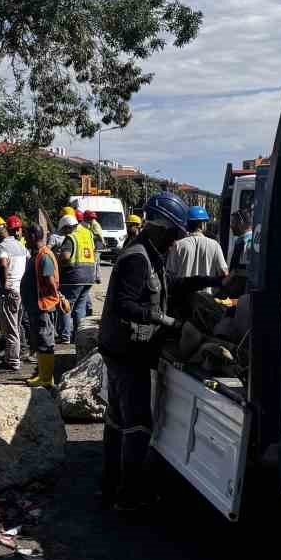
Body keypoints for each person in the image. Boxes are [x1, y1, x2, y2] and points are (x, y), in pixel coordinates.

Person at [97, 191, 222, 512]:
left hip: (123, 349)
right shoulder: (138, 257)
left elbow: (171, 283)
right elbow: (125, 305)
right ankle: (128, 497)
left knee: (118, 418)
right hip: (128, 351)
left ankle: (110, 486)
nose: (175, 240)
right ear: (160, 226)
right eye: (173, 233)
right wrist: (171, 322)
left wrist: (212, 281)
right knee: (137, 422)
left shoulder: (151, 254)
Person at [21, 223, 65, 388]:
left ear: (33, 236)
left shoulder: (44, 255)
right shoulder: (39, 254)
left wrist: (56, 296)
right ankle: (42, 374)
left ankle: (46, 378)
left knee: (45, 341)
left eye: (26, 236)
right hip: (37, 306)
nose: (25, 239)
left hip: (43, 305)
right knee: (40, 340)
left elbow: (50, 280)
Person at [0, 214, 27, 372]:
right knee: (15, 327)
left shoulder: (3, 246)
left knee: (10, 329)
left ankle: (12, 361)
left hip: (9, 292)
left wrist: (4, 286)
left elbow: (3, 264)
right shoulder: (20, 245)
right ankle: (12, 358)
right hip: (19, 291)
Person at [53, 207, 98, 346]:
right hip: (89, 275)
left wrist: (57, 259)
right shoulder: (88, 233)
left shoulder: (71, 237)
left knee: (66, 306)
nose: (64, 233)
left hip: (74, 277)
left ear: (67, 227)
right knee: (80, 308)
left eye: (64, 230)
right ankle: (79, 336)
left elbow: (66, 257)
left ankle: (65, 336)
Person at [165, 205, 228, 283]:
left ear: (187, 224)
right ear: (202, 224)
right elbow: (224, 272)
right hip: (206, 294)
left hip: (182, 294)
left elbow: (170, 275)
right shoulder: (215, 245)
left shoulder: (178, 245)